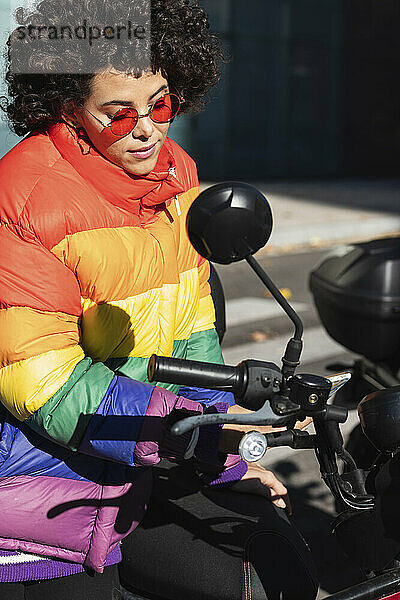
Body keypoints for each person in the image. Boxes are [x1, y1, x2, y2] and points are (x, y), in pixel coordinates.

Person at [0, 1, 317, 598]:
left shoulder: (176, 177)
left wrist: (222, 452)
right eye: (118, 115)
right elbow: (39, 385)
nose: (147, 129)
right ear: (69, 108)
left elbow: (192, 332)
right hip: (45, 478)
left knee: (272, 572)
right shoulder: (22, 200)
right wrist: (188, 432)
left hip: (150, 453)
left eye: (161, 104)